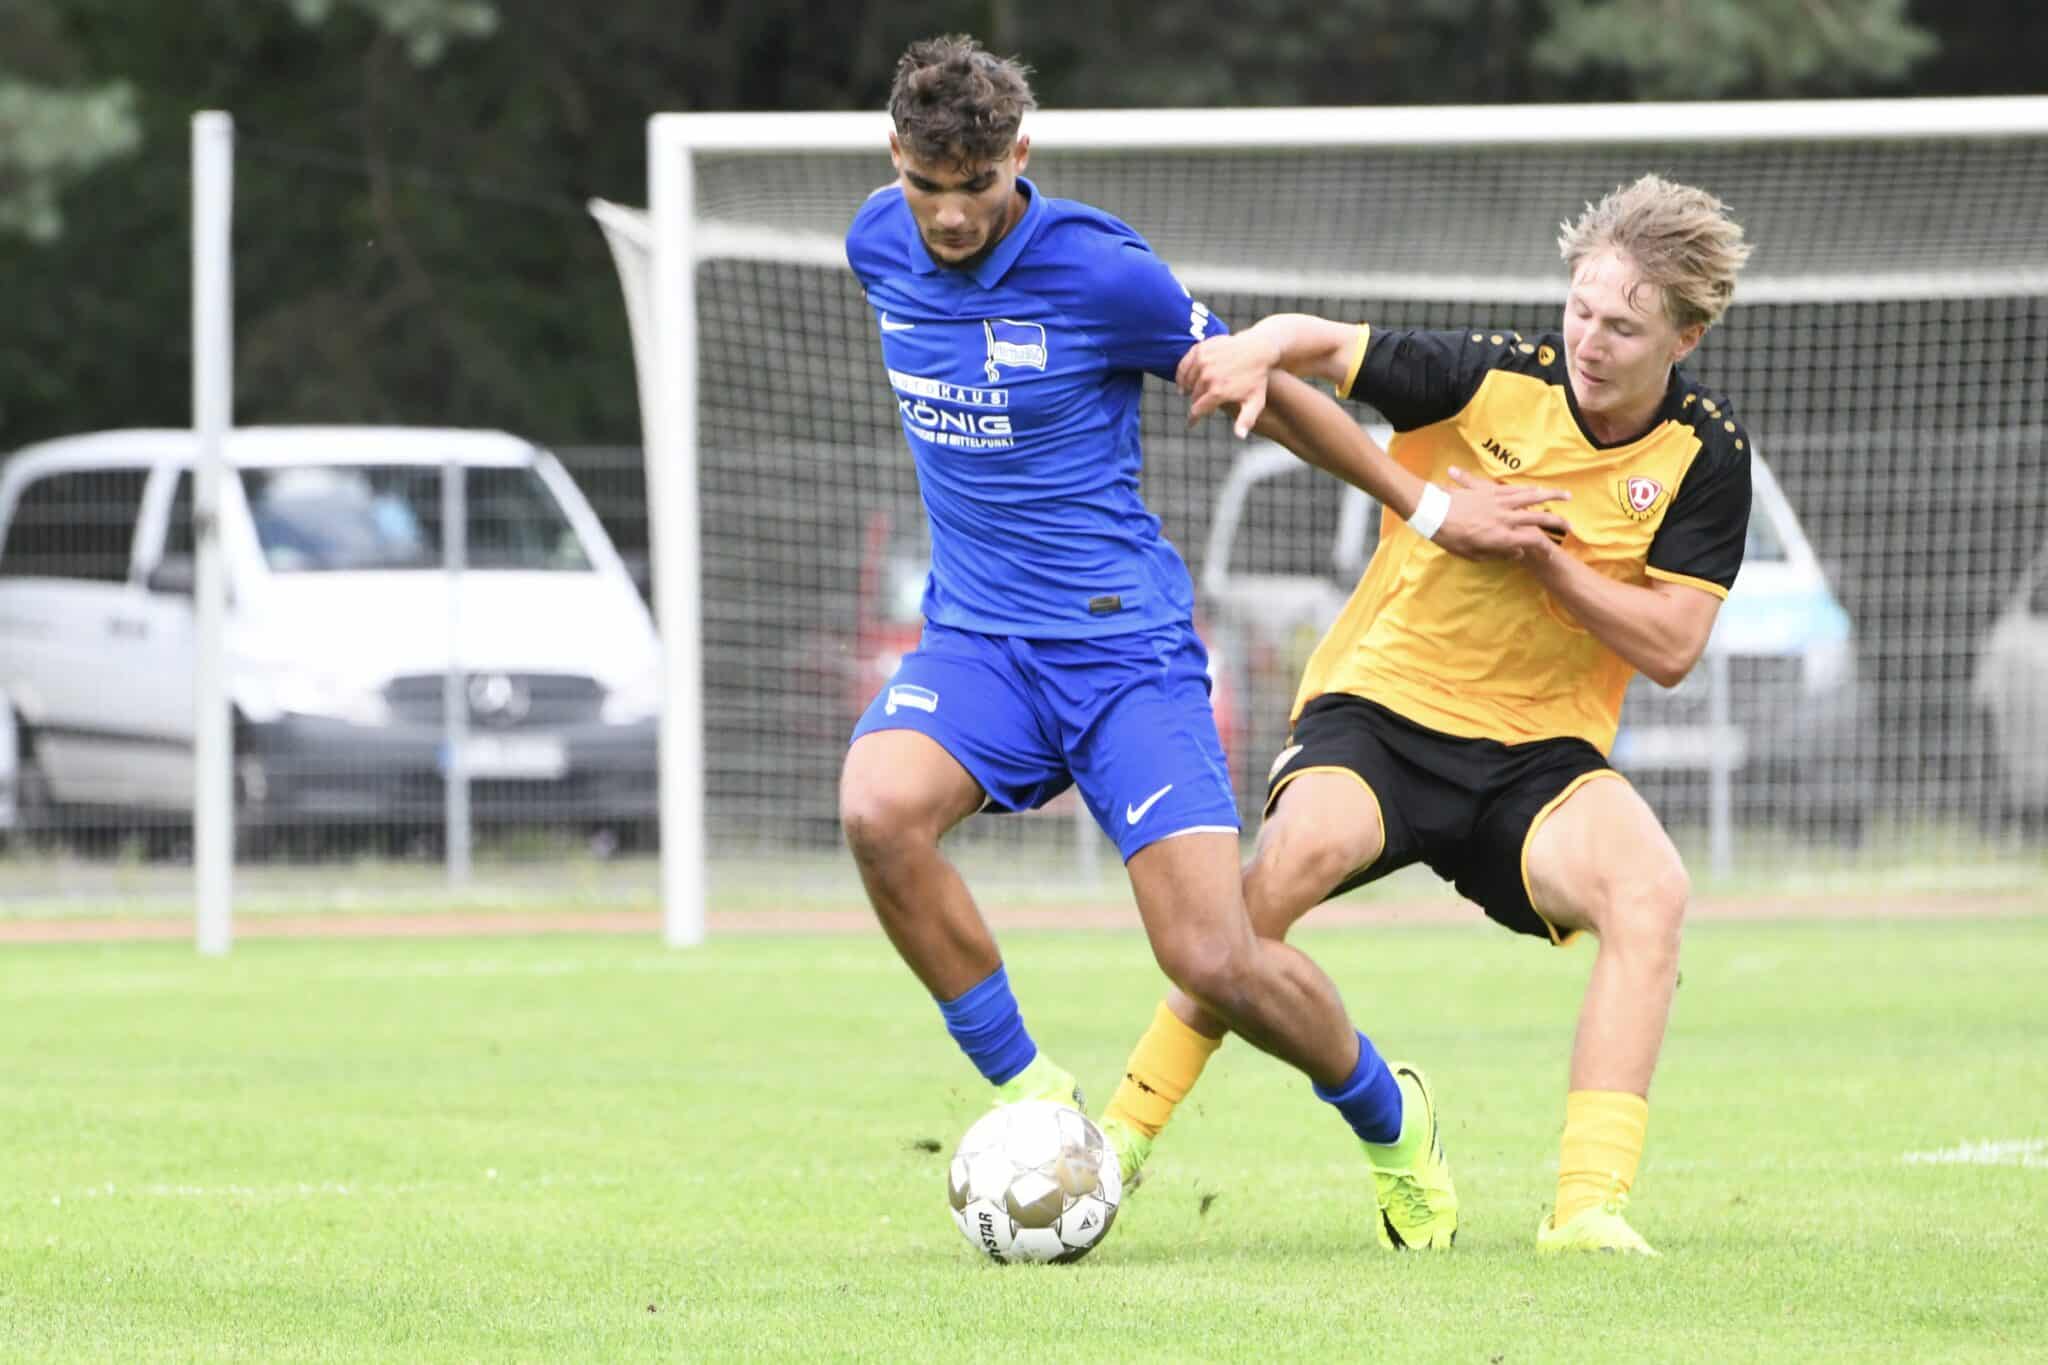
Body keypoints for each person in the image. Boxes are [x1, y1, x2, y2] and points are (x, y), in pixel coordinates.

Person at [840, 32, 1570, 1227]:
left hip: (1123, 656)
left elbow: (1264, 387)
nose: (949, 217)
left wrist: (1430, 506)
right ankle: (1038, 1097)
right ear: (895, 161)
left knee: (1211, 959)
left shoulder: (1102, 274)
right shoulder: (877, 239)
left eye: (974, 189)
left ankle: (1394, 1124)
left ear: (1018, 156)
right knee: (876, 809)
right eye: (928, 188)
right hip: (977, 647)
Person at [1102, 173, 1754, 1256]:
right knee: (1276, 879)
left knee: (1651, 893)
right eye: (1581, 310)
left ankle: (1586, 1208)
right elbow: (1326, 344)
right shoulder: (1486, 377)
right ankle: (1118, 1141)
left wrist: (1540, 555)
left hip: (1540, 756)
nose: (1590, 340)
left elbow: (1670, 648)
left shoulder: (1704, 458)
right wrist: (1258, 346)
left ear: (1681, 338)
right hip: (1382, 712)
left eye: (1624, 327)